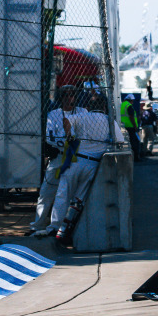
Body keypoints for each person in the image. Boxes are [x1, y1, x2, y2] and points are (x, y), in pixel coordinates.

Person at [52, 95, 116, 243]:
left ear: (89, 106)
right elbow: (119, 140)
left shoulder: (82, 116)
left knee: (63, 193)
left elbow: (66, 120)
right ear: (105, 107)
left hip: (76, 160)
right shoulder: (108, 120)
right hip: (93, 163)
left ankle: (54, 228)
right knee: (79, 199)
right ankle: (67, 230)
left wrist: (69, 135)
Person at [28, 85, 87, 237]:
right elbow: (51, 137)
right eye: (65, 95)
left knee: (69, 193)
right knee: (46, 192)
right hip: (59, 156)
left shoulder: (82, 112)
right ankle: (37, 225)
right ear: (61, 98)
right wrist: (66, 139)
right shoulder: (53, 114)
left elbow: (81, 135)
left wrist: (68, 138)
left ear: (75, 97)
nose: (69, 98)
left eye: (71, 95)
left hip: (75, 156)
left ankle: (64, 226)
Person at [121, 94, 143, 161]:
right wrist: (135, 126)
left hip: (124, 126)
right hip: (131, 127)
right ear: (131, 100)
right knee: (135, 142)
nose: (133, 102)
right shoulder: (129, 106)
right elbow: (131, 117)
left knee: (128, 142)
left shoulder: (122, 105)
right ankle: (136, 157)